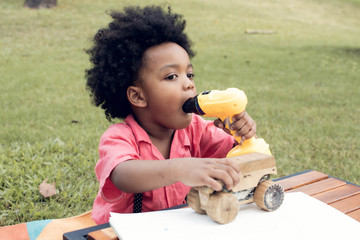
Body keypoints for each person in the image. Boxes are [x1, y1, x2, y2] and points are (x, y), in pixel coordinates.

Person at [85, 5, 256, 224]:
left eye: (190, 74)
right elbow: (122, 175)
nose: (188, 84)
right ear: (138, 97)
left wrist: (241, 134)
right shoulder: (120, 137)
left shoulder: (196, 128)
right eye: (172, 76)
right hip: (121, 231)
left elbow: (235, 155)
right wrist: (181, 168)